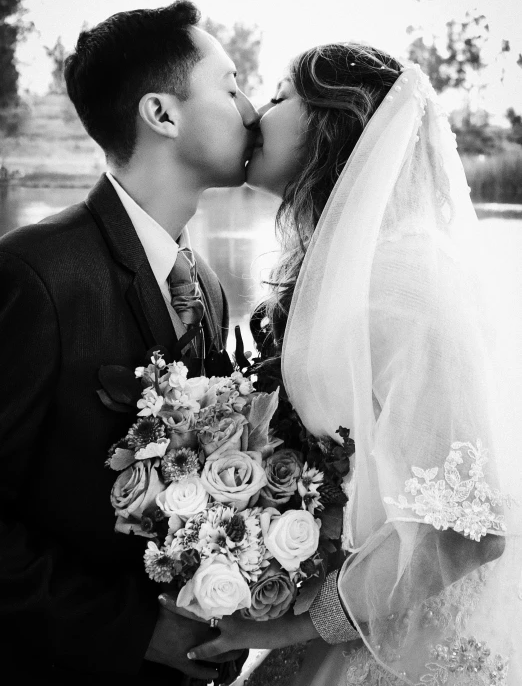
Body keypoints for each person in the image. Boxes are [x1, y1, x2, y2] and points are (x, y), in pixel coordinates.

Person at [163, 44, 522, 684]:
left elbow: (469, 527)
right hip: (357, 608)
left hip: (402, 646)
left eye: (278, 96)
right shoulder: (360, 269)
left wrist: (296, 625)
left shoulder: (407, 284)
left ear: (334, 120)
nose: (256, 113)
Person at [0, 0, 258, 683]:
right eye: (231, 86)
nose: (252, 110)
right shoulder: (36, 274)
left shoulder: (203, 282)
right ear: (163, 114)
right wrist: (138, 632)